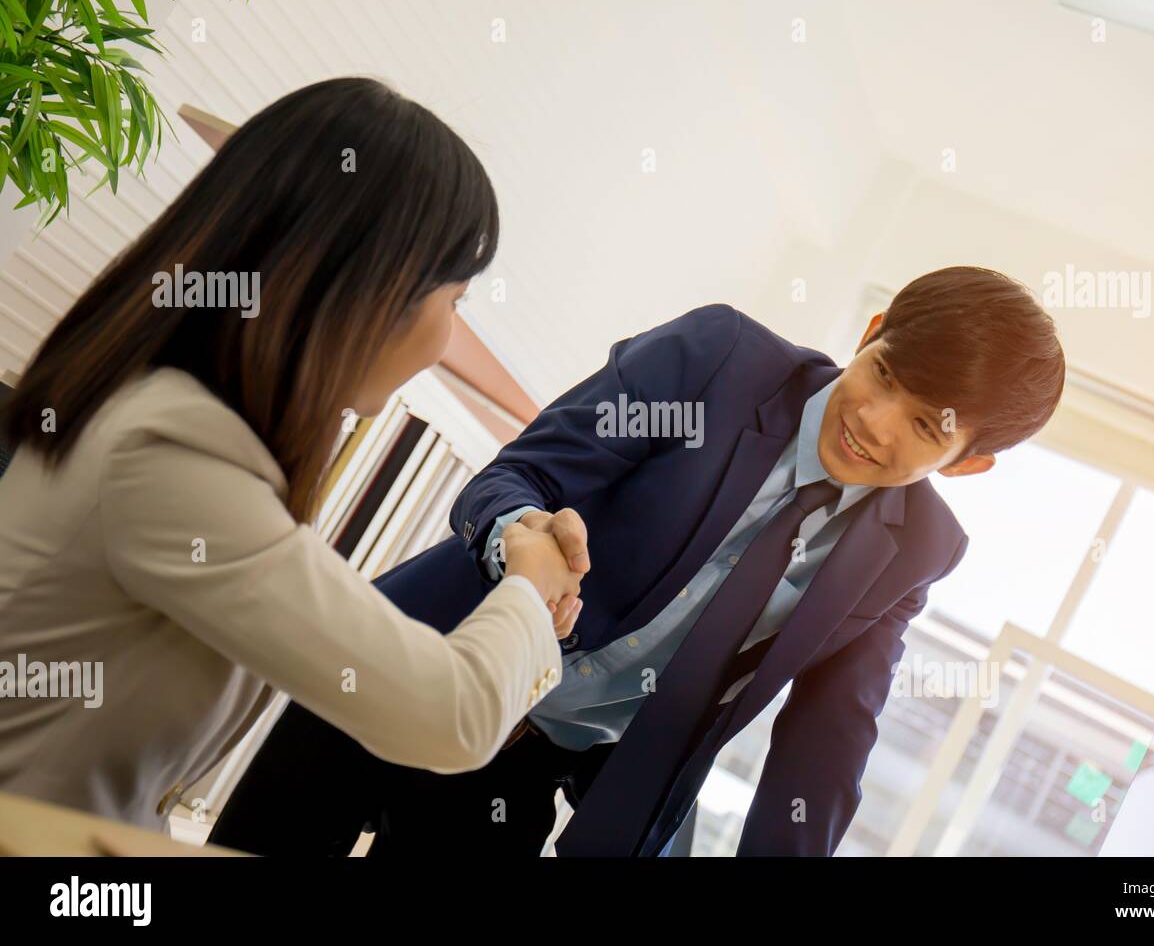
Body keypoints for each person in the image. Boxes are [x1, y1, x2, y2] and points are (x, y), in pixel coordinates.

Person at [212, 266, 1067, 857]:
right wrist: (520, 537)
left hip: (532, 760)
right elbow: (524, 473)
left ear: (967, 462)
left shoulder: (915, 552)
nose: (878, 423)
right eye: (883, 376)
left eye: (928, 426)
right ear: (873, 332)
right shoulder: (722, 360)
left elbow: (829, 740)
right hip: (419, 656)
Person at [0, 78, 581, 831]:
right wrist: (530, 587)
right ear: (371, 288)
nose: (447, 339)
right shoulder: (175, 455)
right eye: (456, 301)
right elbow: (450, 713)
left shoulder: (161, 412)